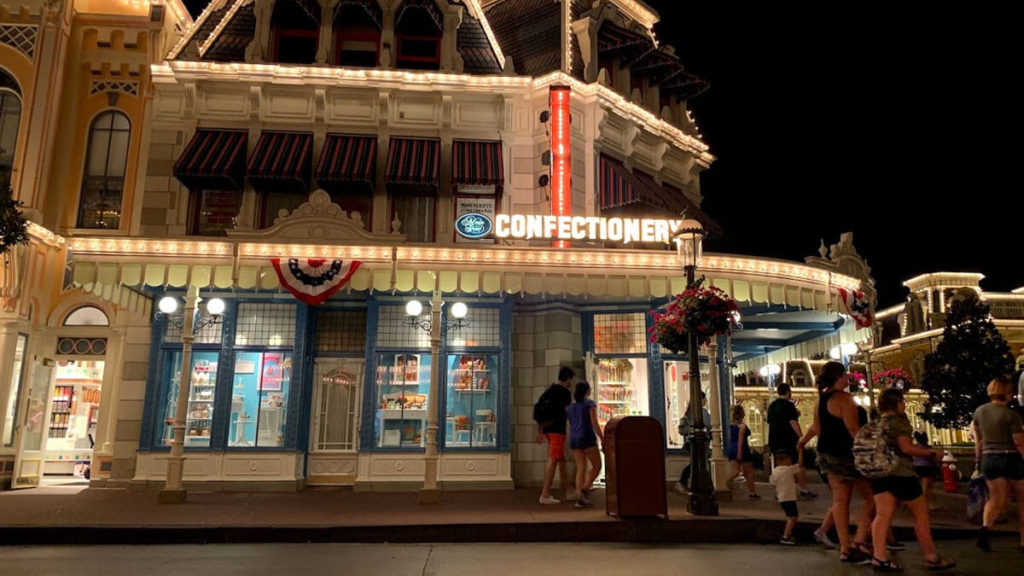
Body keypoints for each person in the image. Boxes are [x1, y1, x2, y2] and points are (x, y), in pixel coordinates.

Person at [869, 388, 955, 571]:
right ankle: (931, 555)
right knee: (921, 515)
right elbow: (906, 448)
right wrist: (931, 453)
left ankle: (879, 556)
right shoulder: (898, 422)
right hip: (902, 474)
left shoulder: (877, 422)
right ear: (897, 403)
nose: (905, 404)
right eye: (902, 401)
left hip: (879, 473)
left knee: (882, 515)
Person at [797, 361, 874, 564]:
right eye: (846, 374)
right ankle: (859, 539)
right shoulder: (846, 400)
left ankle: (845, 548)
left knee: (840, 502)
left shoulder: (821, 401)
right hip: (848, 455)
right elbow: (852, 429)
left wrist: (804, 441)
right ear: (840, 376)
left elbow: (818, 428)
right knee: (872, 498)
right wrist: (871, 447)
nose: (848, 377)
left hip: (827, 454)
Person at [972, 375, 1024, 551]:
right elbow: (1019, 441)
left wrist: (978, 461)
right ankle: (1023, 539)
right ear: (1008, 393)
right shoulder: (1012, 415)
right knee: (1022, 499)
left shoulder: (979, 412)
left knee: (996, 499)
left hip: (989, 458)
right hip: (1011, 458)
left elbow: (978, 441)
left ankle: (985, 530)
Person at [536, 366, 578, 505]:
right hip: (558, 430)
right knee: (553, 460)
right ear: (567, 379)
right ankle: (545, 494)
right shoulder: (565, 393)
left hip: (547, 429)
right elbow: (567, 411)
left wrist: (540, 430)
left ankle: (568, 490)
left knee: (561, 459)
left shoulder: (550, 390)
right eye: (570, 380)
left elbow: (539, 408)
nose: (571, 383)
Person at [767, 383, 816, 498]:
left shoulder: (772, 406)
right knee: (797, 464)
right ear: (788, 392)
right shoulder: (789, 406)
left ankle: (780, 490)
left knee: (780, 465)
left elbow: (770, 423)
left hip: (774, 439)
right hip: (788, 438)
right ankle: (804, 489)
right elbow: (793, 422)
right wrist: (801, 437)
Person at [567, 381, 604, 508]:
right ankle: (585, 489)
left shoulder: (571, 407)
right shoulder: (589, 404)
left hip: (574, 438)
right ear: (587, 391)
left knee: (581, 467)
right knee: (597, 465)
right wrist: (602, 438)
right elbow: (594, 422)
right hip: (587, 437)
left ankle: (580, 496)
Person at [675, 392, 712, 494]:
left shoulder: (692, 413)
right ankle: (685, 482)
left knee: (697, 462)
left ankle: (691, 482)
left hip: (695, 441)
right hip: (697, 441)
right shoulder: (700, 413)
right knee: (698, 462)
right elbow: (709, 426)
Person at [727, 404, 759, 499]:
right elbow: (741, 438)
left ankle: (726, 484)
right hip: (743, 449)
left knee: (735, 471)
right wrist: (740, 451)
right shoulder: (742, 426)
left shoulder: (730, 427)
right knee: (749, 472)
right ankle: (752, 492)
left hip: (732, 449)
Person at [770, 450, 800, 545]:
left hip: (781, 497)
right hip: (789, 497)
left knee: (790, 516)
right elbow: (800, 465)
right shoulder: (788, 470)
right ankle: (786, 536)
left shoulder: (775, 472)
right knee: (793, 516)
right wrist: (801, 451)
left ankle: (788, 534)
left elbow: (773, 483)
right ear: (785, 460)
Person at [912, 428, 939, 508]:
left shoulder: (915, 447)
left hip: (916, 467)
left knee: (921, 487)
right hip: (927, 468)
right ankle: (926, 503)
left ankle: (924, 503)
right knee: (927, 487)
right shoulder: (927, 448)